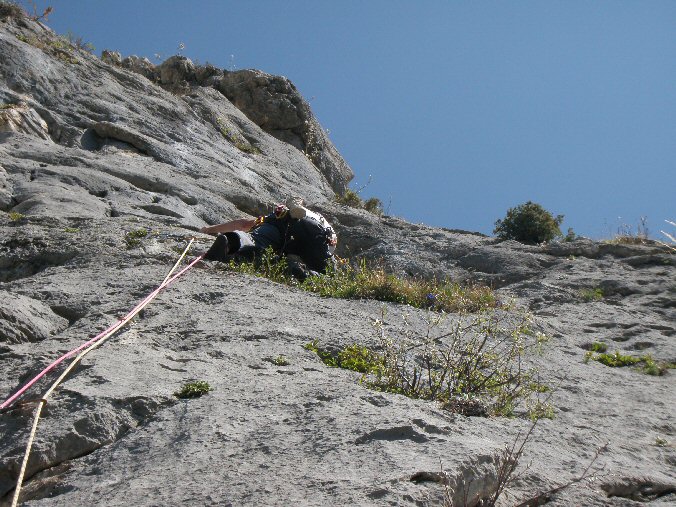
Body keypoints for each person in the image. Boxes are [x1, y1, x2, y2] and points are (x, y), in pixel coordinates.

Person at [200, 197, 337, 280]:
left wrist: (210, 229)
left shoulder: (278, 215)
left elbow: (244, 224)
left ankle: (230, 242)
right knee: (325, 276)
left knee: (254, 240)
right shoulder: (317, 218)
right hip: (322, 241)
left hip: (281, 224)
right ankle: (299, 271)